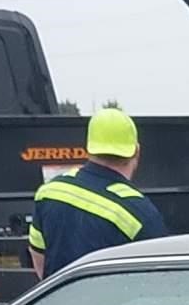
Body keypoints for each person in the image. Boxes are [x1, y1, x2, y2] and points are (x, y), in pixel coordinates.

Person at [27, 109, 167, 278]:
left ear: (89, 149)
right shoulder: (140, 213)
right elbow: (159, 281)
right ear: (137, 151)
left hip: (59, 302)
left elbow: (38, 258)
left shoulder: (49, 192)